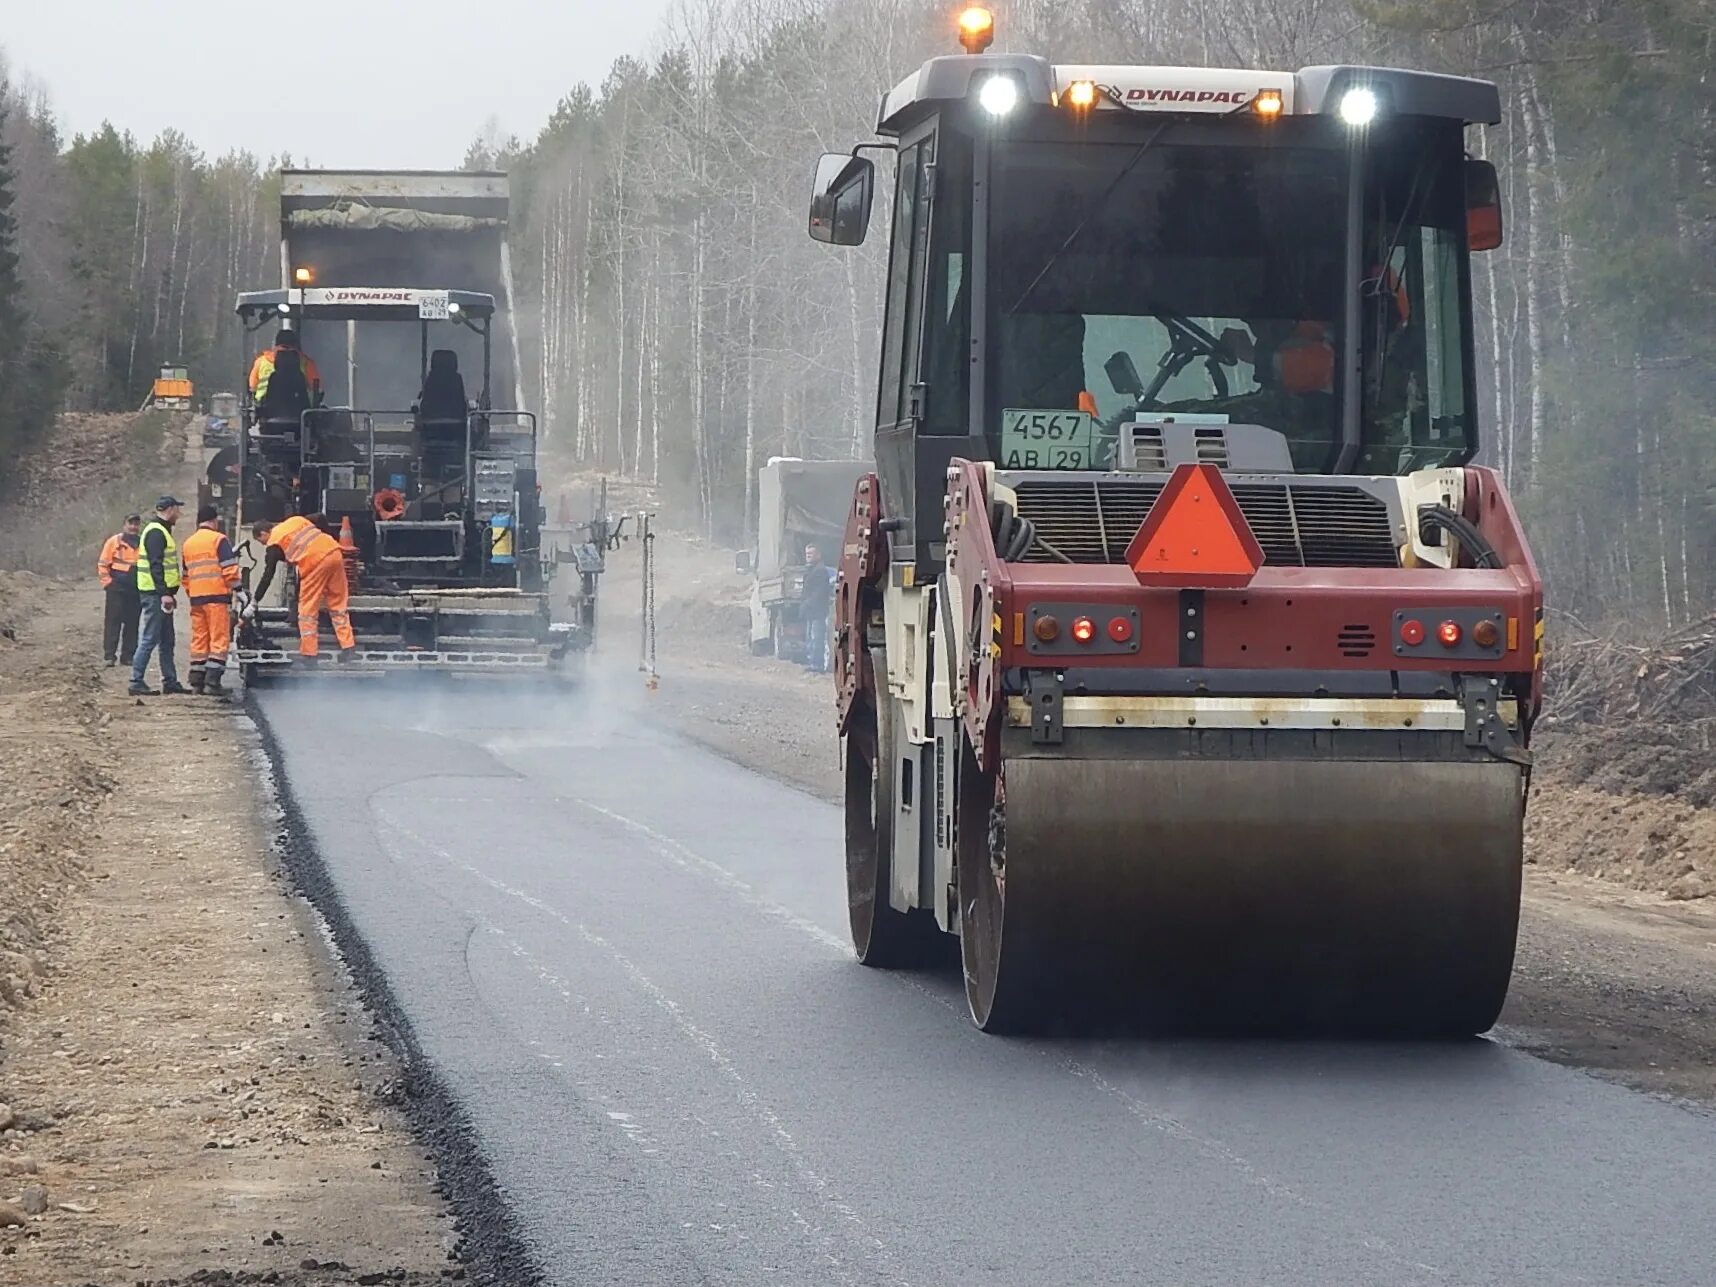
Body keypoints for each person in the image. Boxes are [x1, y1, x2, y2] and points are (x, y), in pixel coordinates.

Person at [247, 514, 356, 664]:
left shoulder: (274, 542)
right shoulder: (295, 520)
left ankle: (310, 655)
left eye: (261, 542)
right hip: (334, 552)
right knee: (338, 605)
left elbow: (268, 575)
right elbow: (321, 517)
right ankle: (348, 648)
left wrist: (255, 601)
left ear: (264, 533)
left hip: (314, 562)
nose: (264, 545)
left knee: (307, 611)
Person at [131, 496, 190, 697]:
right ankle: (136, 681)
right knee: (149, 638)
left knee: (167, 640)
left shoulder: (160, 529)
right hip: (155, 595)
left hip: (160, 594)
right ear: (170, 509)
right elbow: (156, 565)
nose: (179, 514)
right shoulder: (156, 532)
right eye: (177, 510)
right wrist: (164, 594)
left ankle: (170, 681)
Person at [181, 505, 243, 696]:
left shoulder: (188, 543)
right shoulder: (219, 540)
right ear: (214, 521)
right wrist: (238, 589)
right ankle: (212, 683)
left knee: (200, 639)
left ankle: (197, 682)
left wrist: (193, 592)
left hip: (197, 599)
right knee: (218, 639)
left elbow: (185, 575)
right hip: (216, 598)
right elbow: (228, 568)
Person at [98, 514, 142, 668]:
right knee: (113, 622)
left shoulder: (142, 542)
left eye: (136, 524)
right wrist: (107, 583)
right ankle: (109, 655)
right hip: (116, 588)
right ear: (124, 525)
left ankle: (128, 656)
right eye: (130, 523)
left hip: (136, 588)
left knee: (132, 623)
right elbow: (103, 564)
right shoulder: (114, 541)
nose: (133, 527)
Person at [248, 329, 322, 414]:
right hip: (300, 416)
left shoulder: (261, 362)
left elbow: (252, 387)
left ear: (275, 345)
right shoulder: (306, 363)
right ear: (296, 345)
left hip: (267, 415)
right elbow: (317, 390)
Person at [799, 543, 835, 674]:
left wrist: (807, 604)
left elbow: (819, 593)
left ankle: (817, 664)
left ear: (818, 555)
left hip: (817, 611)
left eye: (811, 554)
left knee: (816, 637)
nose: (808, 556)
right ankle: (812, 662)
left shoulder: (820, 571)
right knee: (810, 637)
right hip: (811, 611)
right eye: (807, 554)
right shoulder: (810, 569)